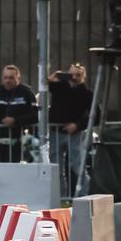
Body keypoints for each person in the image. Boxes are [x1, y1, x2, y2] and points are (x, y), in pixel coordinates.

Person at [0, 64, 38, 163]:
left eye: (11, 78)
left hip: (14, 143)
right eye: (5, 78)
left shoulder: (26, 92)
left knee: (12, 174)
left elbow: (35, 116)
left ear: (18, 78)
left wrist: (15, 121)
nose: (8, 81)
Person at [48, 63, 93, 193]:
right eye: (72, 74)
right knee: (56, 167)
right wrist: (53, 78)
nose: (74, 77)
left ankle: (85, 195)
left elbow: (95, 115)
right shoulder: (59, 87)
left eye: (78, 75)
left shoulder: (87, 93)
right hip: (56, 131)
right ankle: (60, 196)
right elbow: (45, 87)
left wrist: (77, 125)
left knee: (77, 166)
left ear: (83, 77)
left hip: (75, 133)